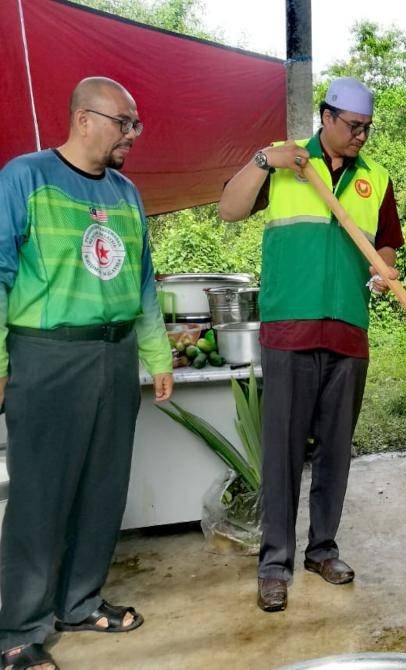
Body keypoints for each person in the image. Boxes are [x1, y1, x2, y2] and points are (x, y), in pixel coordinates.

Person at [0, 77, 173, 670]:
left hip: (114, 352)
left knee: (103, 488)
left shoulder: (126, 194)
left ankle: (79, 603)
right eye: (124, 122)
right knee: (40, 493)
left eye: (135, 124)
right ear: (83, 118)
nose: (132, 134)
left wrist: (157, 355)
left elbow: (144, 283)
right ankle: (19, 630)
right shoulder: (25, 177)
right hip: (47, 353)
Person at [218, 77, 402, 613]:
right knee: (282, 453)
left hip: (348, 329)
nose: (361, 137)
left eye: (368, 128)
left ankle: (323, 549)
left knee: (336, 452)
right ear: (325, 118)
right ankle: (275, 563)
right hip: (290, 328)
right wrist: (261, 160)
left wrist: (384, 267)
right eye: (352, 126)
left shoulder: (376, 179)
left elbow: (388, 242)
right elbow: (228, 209)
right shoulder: (287, 164)